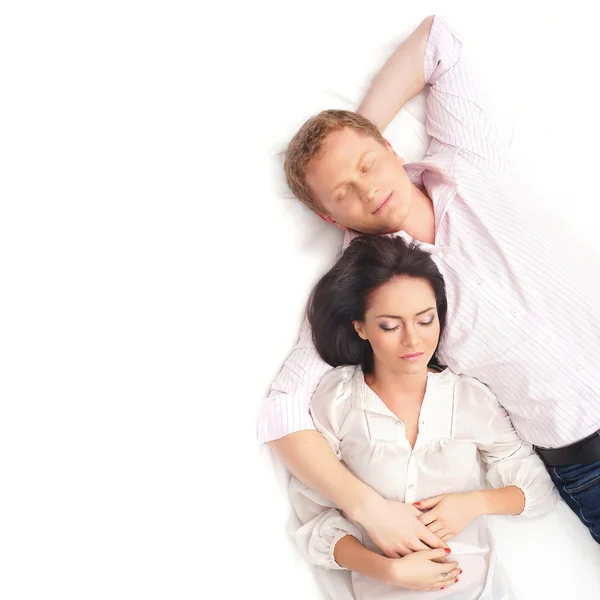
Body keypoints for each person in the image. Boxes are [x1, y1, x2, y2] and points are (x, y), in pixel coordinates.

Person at [258, 14, 600, 551]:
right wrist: (367, 508)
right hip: (586, 457)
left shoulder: (468, 160)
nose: (368, 192)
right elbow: (283, 408)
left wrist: (352, 132)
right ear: (328, 218)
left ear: (392, 150)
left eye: (369, 165)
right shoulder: (361, 286)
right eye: (343, 193)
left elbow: (440, 40)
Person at [288, 234, 557, 599]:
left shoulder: (469, 398)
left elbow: (537, 490)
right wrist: (388, 570)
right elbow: (314, 517)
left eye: (425, 320)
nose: (413, 340)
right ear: (361, 327)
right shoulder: (337, 400)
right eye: (390, 325)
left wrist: (473, 504)